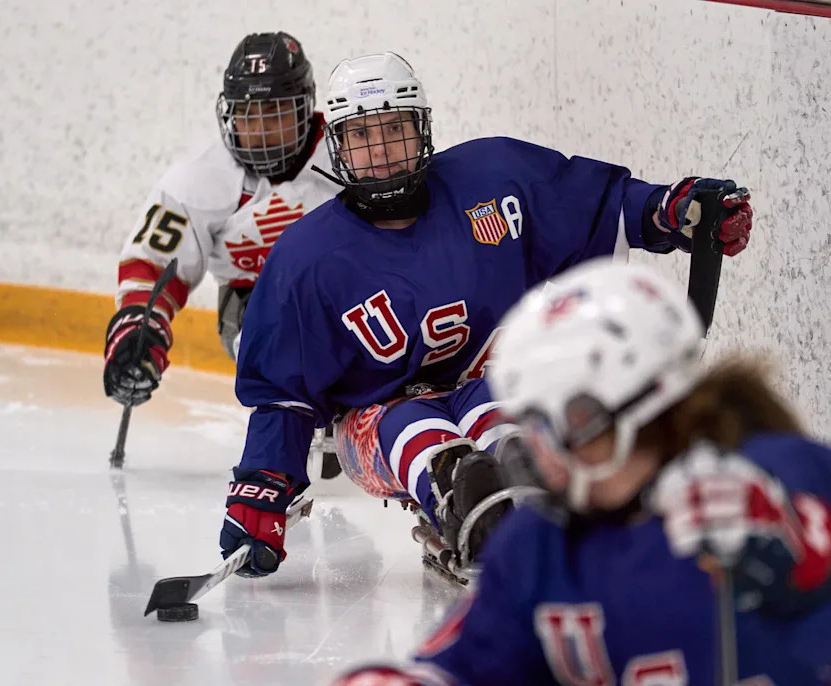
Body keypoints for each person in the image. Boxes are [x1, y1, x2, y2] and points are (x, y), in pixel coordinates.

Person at [219, 51, 755, 580]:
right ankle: (459, 496)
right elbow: (282, 394)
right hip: (375, 420)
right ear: (337, 145)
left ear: (423, 129)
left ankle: (524, 494)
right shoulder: (305, 260)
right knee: (419, 430)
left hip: (490, 382)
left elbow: (594, 206)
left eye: (394, 129)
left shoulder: (495, 181)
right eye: (361, 136)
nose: (379, 150)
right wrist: (263, 487)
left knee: (506, 427)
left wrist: (670, 210)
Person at [331, 259, 831, 685]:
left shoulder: (777, 475)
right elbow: (467, 665)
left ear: (646, 406)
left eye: (564, 422)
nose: (541, 453)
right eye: (533, 422)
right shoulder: (537, 543)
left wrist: (797, 551)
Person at [101, 31, 342, 474]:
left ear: (306, 108)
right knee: (269, 334)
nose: (260, 129)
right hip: (254, 303)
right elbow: (153, 264)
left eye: (275, 112)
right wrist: (140, 333)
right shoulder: (198, 180)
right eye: (248, 114)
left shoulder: (349, 155)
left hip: (354, 298)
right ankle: (298, 417)